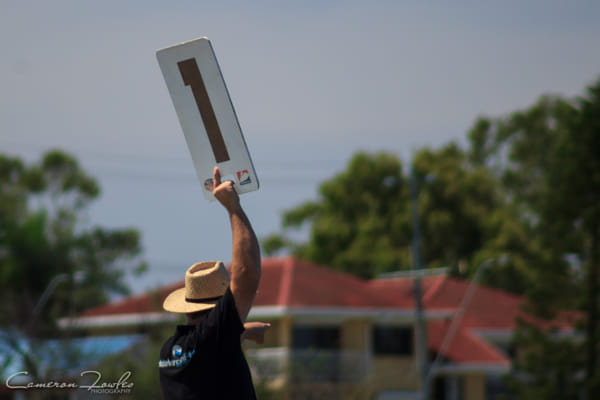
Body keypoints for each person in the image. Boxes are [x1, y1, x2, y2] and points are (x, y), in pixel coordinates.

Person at [158, 167, 268, 399]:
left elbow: (212, 342)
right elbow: (246, 273)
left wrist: (244, 331)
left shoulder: (170, 350)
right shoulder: (213, 336)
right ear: (219, 309)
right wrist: (233, 207)